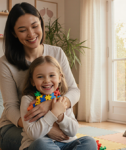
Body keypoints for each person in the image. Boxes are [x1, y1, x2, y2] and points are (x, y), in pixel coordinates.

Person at [0, 2, 80, 150]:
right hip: (17, 126)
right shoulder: (5, 63)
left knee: (86, 142)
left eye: (35, 26)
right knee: (42, 142)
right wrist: (47, 129)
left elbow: (74, 91)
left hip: (54, 119)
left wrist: (50, 105)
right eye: (22, 30)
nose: (31, 34)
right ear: (13, 33)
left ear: (41, 24)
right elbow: (11, 107)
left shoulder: (57, 53)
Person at [20, 55, 97, 150]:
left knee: (90, 142)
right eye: (40, 77)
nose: (47, 81)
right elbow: (33, 134)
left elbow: (72, 132)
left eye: (52, 75)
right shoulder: (28, 100)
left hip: (66, 144)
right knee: (41, 143)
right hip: (41, 145)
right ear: (32, 81)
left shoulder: (63, 99)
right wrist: (54, 112)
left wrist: (60, 116)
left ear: (60, 78)